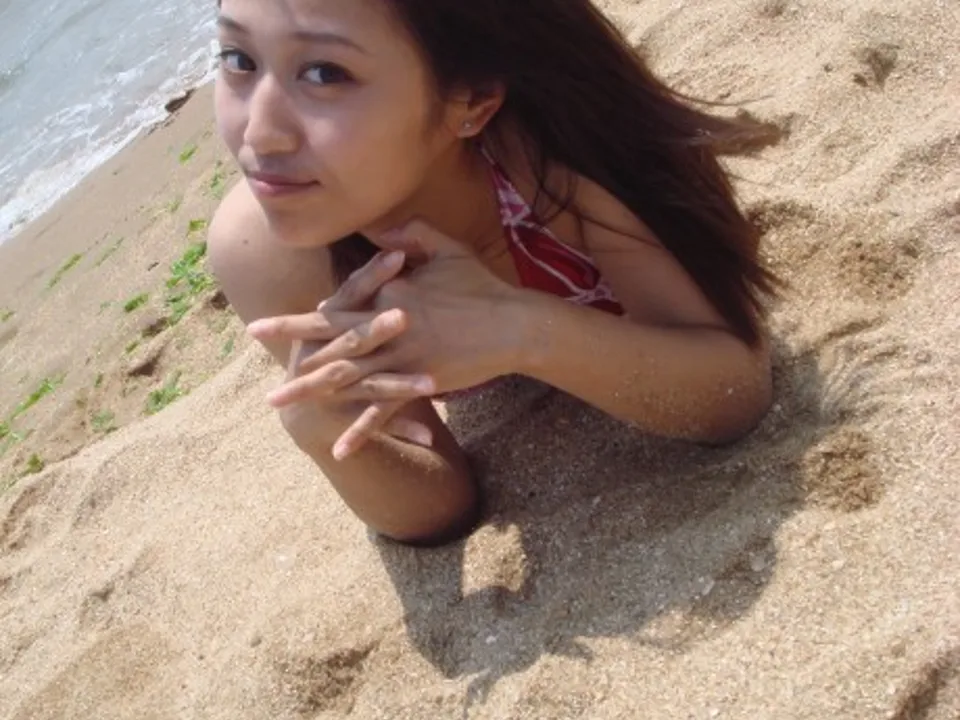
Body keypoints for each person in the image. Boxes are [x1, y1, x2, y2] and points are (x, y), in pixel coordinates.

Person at [206, 0, 779, 546]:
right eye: (239, 59)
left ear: (472, 100)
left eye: (325, 73)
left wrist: (518, 329)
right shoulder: (269, 250)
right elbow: (441, 507)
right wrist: (324, 435)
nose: (258, 134)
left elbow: (734, 392)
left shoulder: (552, 154)